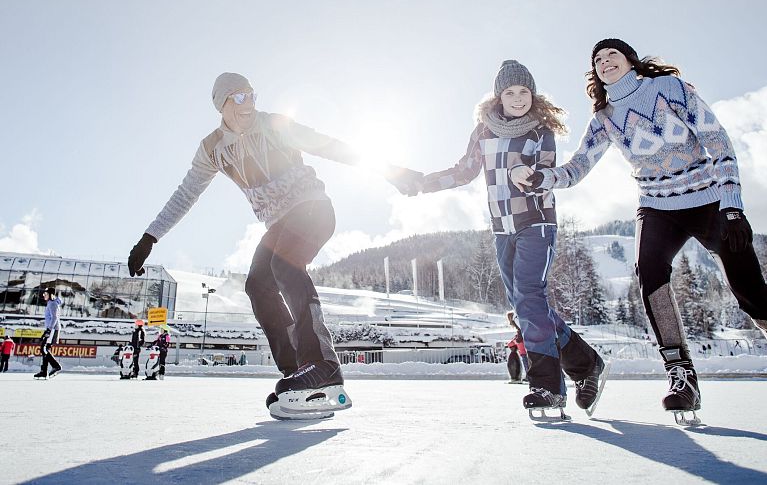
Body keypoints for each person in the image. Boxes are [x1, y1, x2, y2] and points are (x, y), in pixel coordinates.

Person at [516, 38, 767, 427]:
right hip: (655, 206)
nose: (604, 62)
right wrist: (544, 179)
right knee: (650, 279)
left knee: (751, 292)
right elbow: (579, 165)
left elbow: (717, 140)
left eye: (611, 55)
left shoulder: (668, 88)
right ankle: (682, 377)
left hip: (708, 200)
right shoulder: (604, 117)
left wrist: (732, 206)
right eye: (597, 59)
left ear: (630, 60)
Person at [126, 72, 416, 418]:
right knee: (258, 284)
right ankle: (297, 371)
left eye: (251, 95)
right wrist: (150, 237)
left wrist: (389, 170)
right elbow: (186, 193)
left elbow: (329, 145)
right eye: (237, 98)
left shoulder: (275, 124)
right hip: (279, 223)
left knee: (284, 264)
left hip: (312, 206)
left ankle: (322, 364)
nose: (247, 103)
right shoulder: (212, 150)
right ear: (221, 104)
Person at [400, 60, 606, 419]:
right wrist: (422, 183)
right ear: (498, 96)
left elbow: (546, 171)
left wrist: (530, 174)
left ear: (533, 95)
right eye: (509, 92)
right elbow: (464, 172)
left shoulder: (540, 130)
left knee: (528, 299)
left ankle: (546, 386)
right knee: (526, 308)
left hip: (536, 222)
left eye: (523, 91)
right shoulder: (484, 131)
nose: (517, 98)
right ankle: (586, 364)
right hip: (501, 228)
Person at [35, 287, 62, 379]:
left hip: (53, 329)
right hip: (51, 328)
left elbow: (54, 318)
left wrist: (49, 330)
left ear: (50, 294)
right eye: (44, 294)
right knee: (45, 349)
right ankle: (44, 371)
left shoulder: (52, 304)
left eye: (45, 294)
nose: (44, 296)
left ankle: (56, 366)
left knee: (44, 349)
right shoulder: (51, 303)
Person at [505, 310, 529, 380]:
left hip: (523, 350)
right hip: (525, 349)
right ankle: (529, 376)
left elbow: (518, 339)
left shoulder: (518, 326)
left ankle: (528, 376)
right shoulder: (520, 325)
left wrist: (513, 342)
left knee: (526, 363)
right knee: (526, 363)